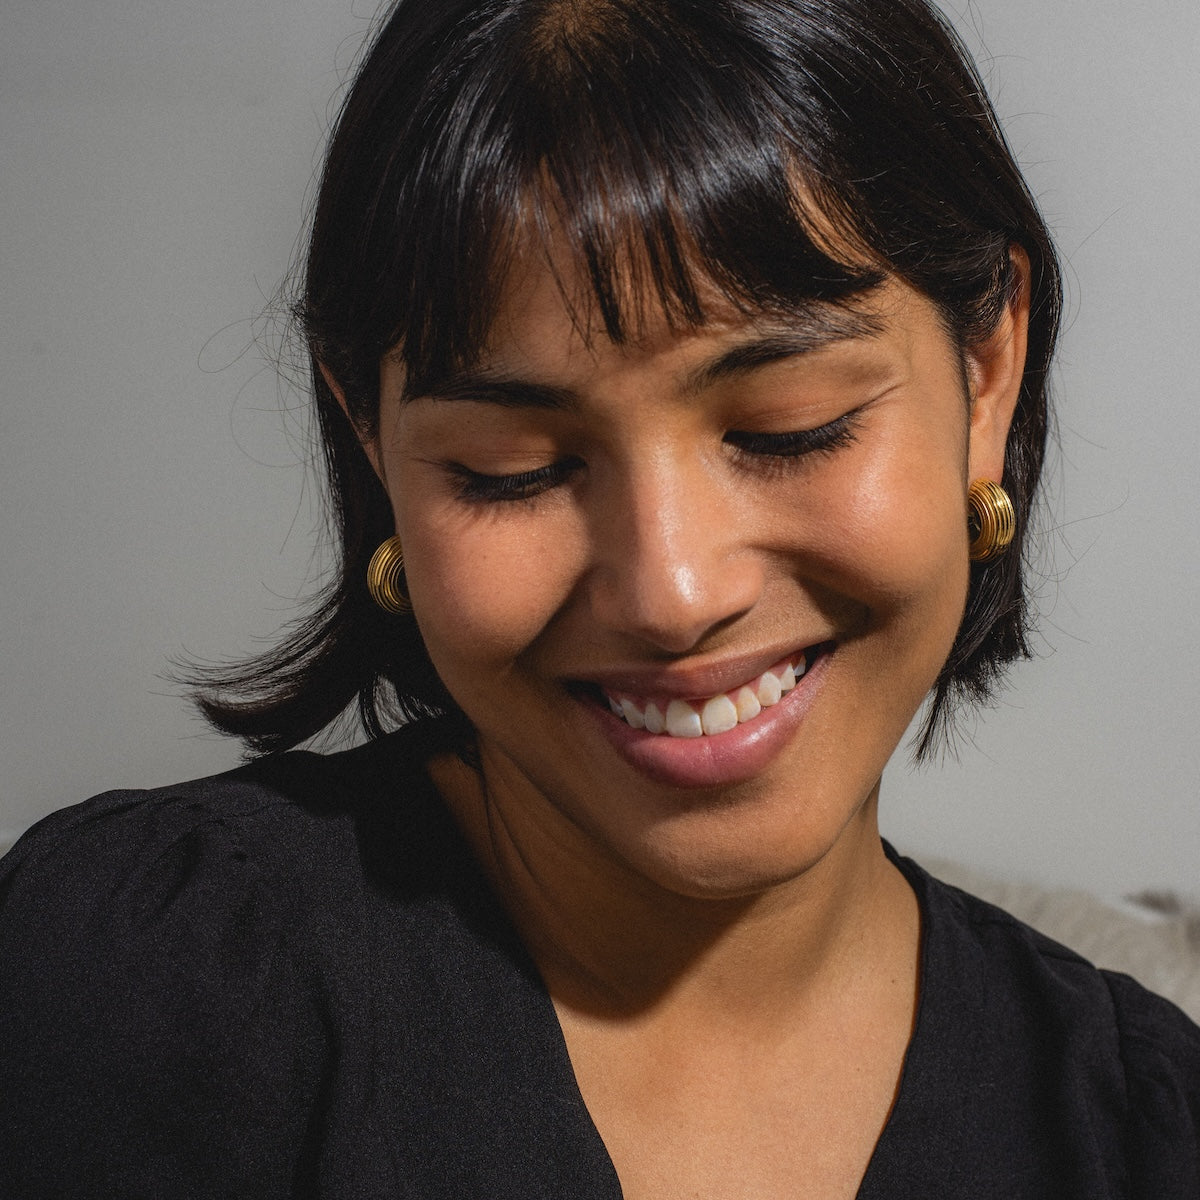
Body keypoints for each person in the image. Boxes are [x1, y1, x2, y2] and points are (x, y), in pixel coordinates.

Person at [1, 0, 1197, 1195]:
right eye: (513, 470)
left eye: (791, 430)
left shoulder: (1145, 1131)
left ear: (988, 371)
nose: (671, 595)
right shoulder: (148, 983)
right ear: (372, 440)